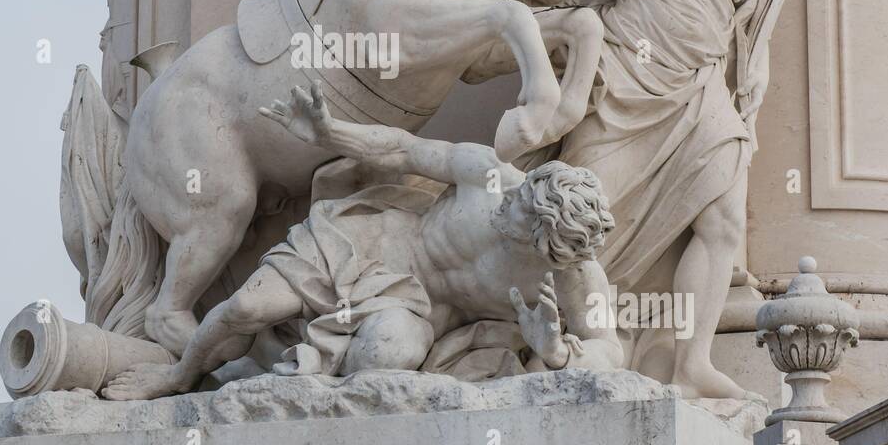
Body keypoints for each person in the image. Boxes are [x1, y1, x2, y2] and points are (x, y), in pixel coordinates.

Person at [491, 0, 771, 399]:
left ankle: (693, 360)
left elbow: (741, 15)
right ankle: (549, 338)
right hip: (627, 73)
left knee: (723, 218)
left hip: (701, 85)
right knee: (587, 217)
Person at [102, 82, 619, 401]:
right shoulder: (491, 178)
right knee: (245, 308)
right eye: (522, 193)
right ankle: (178, 374)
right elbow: (403, 149)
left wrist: (557, 353)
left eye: (521, 213)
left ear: (544, 242)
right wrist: (330, 134)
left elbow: (610, 352)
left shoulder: (572, 277)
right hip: (372, 242)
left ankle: (270, 374)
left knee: (383, 357)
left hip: (418, 311)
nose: (509, 201)